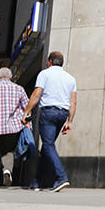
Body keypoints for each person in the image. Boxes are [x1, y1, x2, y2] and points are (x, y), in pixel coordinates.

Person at [23, 51, 77, 192]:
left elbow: (36, 95)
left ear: (50, 62)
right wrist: (70, 121)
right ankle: (37, 182)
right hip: (63, 114)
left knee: (47, 145)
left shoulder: (44, 74)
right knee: (47, 147)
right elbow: (73, 102)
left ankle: (61, 177)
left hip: (48, 113)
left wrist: (27, 111)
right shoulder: (71, 79)